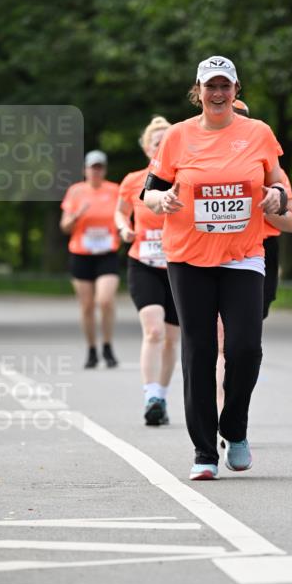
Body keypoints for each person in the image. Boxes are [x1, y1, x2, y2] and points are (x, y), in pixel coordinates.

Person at [142, 55, 288, 480]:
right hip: (188, 256)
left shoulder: (258, 132)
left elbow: (278, 180)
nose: (218, 93)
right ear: (198, 91)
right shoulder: (178, 136)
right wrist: (161, 200)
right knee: (200, 351)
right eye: (211, 86)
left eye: (226, 86)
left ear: (236, 90)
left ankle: (235, 428)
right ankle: (204, 451)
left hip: (244, 254)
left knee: (245, 348)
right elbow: (150, 192)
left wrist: (277, 196)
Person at [216, 99, 292, 415]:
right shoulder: (203, 164)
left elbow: (291, 222)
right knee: (220, 341)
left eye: (242, 118)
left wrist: (265, 207)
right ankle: (221, 412)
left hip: (258, 254)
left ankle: (232, 407)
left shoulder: (271, 169)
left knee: (241, 345)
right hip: (214, 252)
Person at [115, 116, 180, 425]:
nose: (161, 146)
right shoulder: (133, 180)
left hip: (180, 266)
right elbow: (120, 212)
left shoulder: (186, 178)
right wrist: (123, 229)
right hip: (143, 263)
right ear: (146, 148)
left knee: (171, 338)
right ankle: (151, 395)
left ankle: (162, 397)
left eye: (167, 141)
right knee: (153, 330)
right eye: (157, 142)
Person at [60, 150, 121, 368]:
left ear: (104, 170)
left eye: (100, 167)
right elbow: (64, 227)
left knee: (105, 300)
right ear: (85, 170)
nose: (96, 171)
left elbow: (124, 216)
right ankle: (92, 350)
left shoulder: (114, 190)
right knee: (86, 306)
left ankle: (107, 346)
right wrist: (77, 215)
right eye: (92, 167)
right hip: (81, 254)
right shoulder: (76, 192)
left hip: (107, 254)